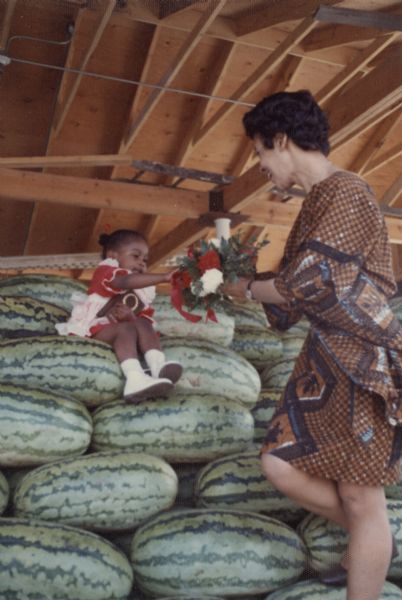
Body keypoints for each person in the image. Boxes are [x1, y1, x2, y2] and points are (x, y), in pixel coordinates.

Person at [222, 90, 402, 600]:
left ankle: (367, 552)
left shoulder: (345, 191)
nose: (259, 165)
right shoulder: (320, 202)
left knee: (362, 499)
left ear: (281, 140)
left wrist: (247, 288)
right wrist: (245, 282)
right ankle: (369, 542)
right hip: (328, 359)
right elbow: (296, 290)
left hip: (363, 361)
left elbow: (314, 279)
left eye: (259, 152)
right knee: (280, 464)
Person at [56, 229, 182, 402]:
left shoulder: (140, 291)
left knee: (143, 324)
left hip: (119, 330)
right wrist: (164, 277)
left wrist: (131, 317)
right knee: (125, 329)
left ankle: (157, 365)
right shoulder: (107, 272)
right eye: (135, 256)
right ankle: (135, 378)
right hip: (93, 331)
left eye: (145, 260)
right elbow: (123, 282)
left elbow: (139, 320)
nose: (141, 263)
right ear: (113, 255)